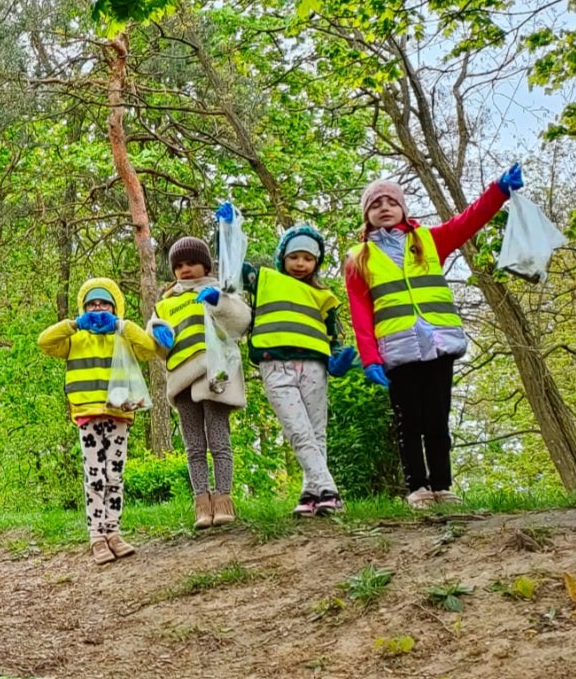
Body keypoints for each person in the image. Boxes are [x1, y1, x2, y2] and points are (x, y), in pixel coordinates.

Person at [346, 166, 523, 509]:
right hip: (397, 351)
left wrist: (498, 191)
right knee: (408, 422)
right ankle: (418, 489)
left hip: (439, 344)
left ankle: (443, 485)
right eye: (375, 204)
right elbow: (360, 314)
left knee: (437, 420)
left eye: (391, 202)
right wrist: (369, 358)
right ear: (367, 216)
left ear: (402, 209)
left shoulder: (427, 240)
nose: (384, 207)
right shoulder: (358, 258)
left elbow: (468, 221)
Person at [37, 278, 162, 564]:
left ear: (115, 306)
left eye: (104, 302)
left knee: (114, 476)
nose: (97, 307)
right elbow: (44, 342)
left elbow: (148, 349)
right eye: (92, 303)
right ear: (83, 307)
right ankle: (96, 536)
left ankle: (113, 532)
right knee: (95, 475)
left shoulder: (122, 335)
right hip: (88, 414)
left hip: (119, 413)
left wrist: (121, 325)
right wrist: (74, 324)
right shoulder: (75, 339)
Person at [241, 217, 358, 517]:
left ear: (316, 262)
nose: (301, 263)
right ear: (283, 258)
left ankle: (310, 495)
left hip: (314, 367)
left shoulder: (324, 296)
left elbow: (332, 337)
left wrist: (339, 359)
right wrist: (228, 231)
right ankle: (328, 488)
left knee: (316, 432)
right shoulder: (264, 279)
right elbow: (235, 268)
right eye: (294, 256)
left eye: (308, 258)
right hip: (276, 365)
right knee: (298, 429)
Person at [149, 235, 253, 529]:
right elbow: (154, 336)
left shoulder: (220, 288)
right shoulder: (166, 302)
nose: (185, 269)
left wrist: (218, 302)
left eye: (192, 262)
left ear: (205, 264)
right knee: (193, 446)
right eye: (179, 265)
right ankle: (200, 503)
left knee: (219, 440)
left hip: (215, 375)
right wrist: (157, 335)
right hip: (182, 379)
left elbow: (242, 321)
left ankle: (223, 500)